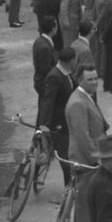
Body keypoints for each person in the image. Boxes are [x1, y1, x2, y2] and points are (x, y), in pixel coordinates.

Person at [67, 63, 109, 222]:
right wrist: (96, 158)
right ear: (79, 80)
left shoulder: (85, 97)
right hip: (84, 156)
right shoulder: (77, 102)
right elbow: (82, 135)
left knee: (88, 195)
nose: (94, 83)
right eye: (89, 79)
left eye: (95, 78)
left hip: (89, 152)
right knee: (85, 196)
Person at [39, 47, 78, 187]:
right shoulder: (55, 76)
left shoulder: (67, 74)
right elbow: (48, 100)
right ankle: (69, 187)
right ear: (71, 60)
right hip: (58, 123)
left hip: (68, 120)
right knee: (64, 156)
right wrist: (44, 124)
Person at [33, 16, 58, 115]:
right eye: (56, 27)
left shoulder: (40, 41)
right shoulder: (44, 47)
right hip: (44, 84)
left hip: (42, 81)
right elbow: (46, 69)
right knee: (45, 111)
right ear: (52, 29)